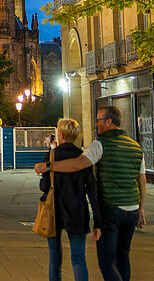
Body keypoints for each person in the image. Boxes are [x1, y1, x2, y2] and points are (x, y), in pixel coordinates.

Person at [35, 106, 145, 281]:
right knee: (117, 257)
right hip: (91, 212)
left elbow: (74, 167)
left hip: (81, 210)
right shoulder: (135, 146)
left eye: (99, 120)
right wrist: (140, 208)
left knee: (102, 262)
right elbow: (141, 180)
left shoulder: (98, 145)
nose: (96, 124)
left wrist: (48, 166)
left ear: (109, 121)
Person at [40, 118, 100, 281]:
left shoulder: (52, 156)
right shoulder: (83, 156)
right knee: (79, 259)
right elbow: (92, 191)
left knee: (55, 259)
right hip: (77, 212)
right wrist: (97, 221)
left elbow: (44, 186)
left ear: (60, 134)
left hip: (55, 211)